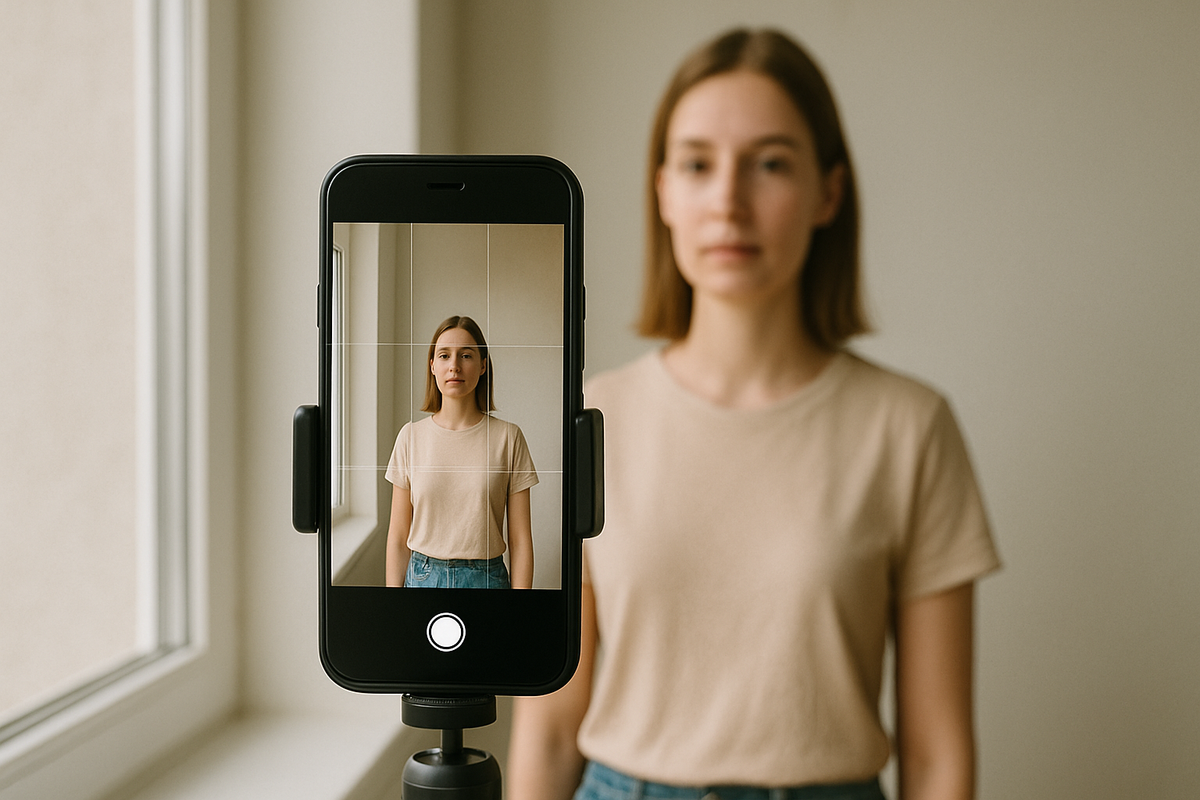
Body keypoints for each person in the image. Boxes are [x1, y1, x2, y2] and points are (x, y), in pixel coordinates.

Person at [507, 28, 1000, 800]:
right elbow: (547, 730)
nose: (728, 201)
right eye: (698, 164)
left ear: (828, 193)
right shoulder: (592, 420)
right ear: (662, 190)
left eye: (770, 164)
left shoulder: (909, 429)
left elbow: (938, 757)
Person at [384, 315, 538, 589]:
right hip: (422, 579)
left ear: (482, 366)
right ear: (432, 366)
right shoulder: (410, 437)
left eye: (466, 355)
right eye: (444, 356)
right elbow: (397, 536)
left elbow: (520, 539)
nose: (454, 366)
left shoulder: (508, 437)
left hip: (487, 580)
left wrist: (520, 612)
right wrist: (392, 608)